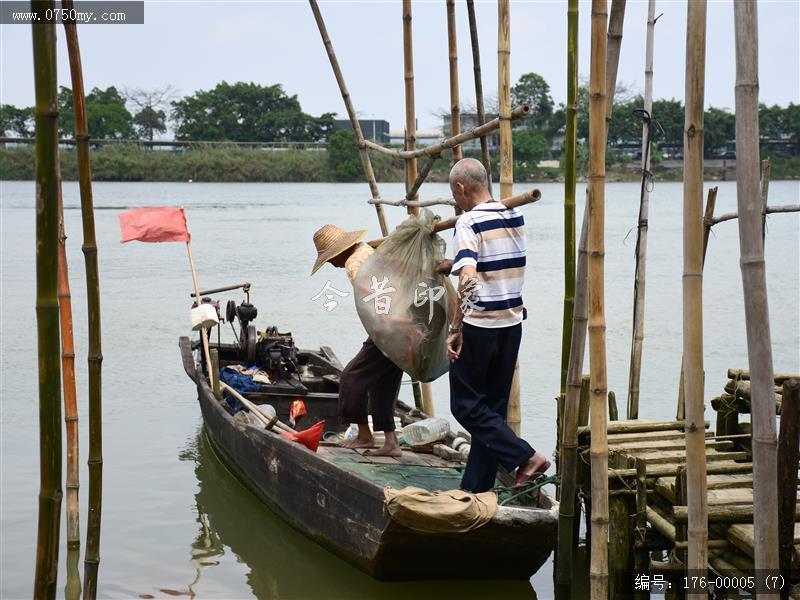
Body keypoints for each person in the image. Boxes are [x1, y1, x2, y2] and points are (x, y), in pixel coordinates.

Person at [437, 158, 551, 493]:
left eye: (453, 192)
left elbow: (471, 279)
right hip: (511, 323)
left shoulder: (469, 222)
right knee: (492, 412)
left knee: (465, 405)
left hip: (481, 326)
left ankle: (527, 457)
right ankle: (476, 488)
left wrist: (456, 327)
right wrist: (454, 263)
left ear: (460, 188)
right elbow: (491, 261)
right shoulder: (513, 214)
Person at [311, 224, 403, 457]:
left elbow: (371, 300)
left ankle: (364, 435)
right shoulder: (367, 250)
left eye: (331, 258)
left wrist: (382, 331)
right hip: (405, 322)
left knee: (351, 377)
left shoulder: (353, 263)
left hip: (388, 327)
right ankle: (391, 443)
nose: (331, 264)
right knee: (384, 383)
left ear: (341, 251)